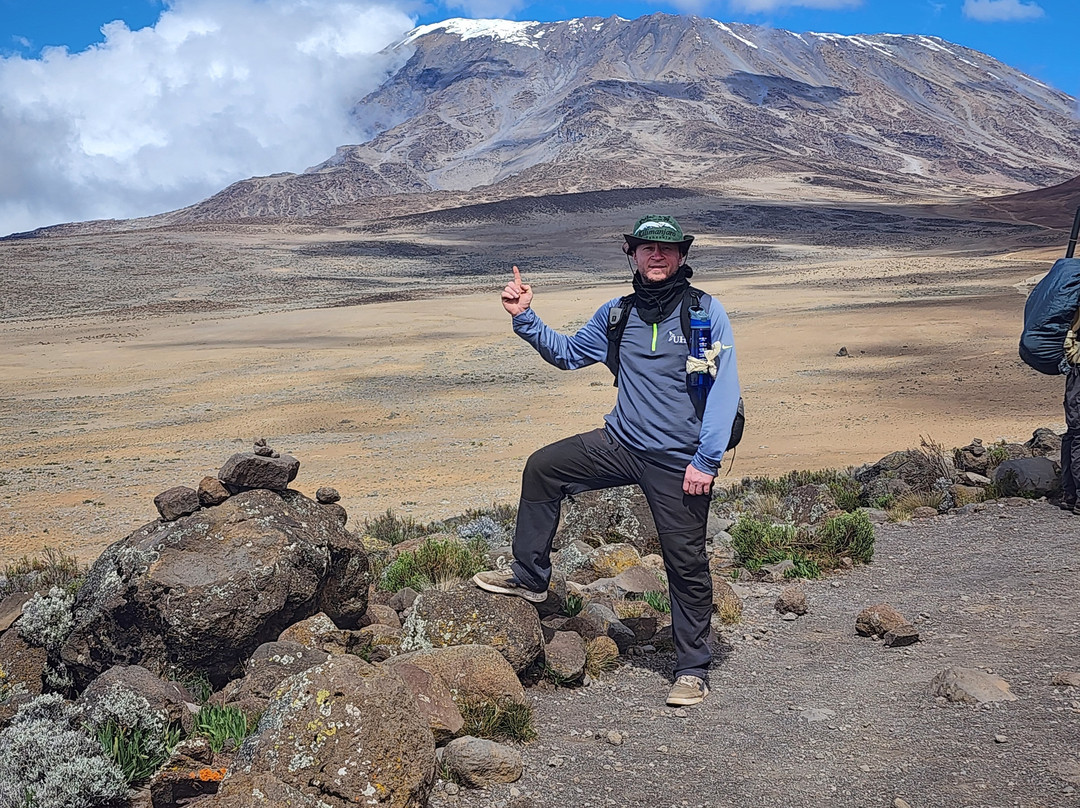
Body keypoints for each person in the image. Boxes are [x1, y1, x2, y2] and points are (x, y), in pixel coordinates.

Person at [472, 215, 741, 706]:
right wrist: (524, 318)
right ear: (632, 255)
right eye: (646, 248)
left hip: (678, 459)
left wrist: (706, 459)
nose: (656, 256)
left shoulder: (702, 314)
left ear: (681, 256)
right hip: (622, 443)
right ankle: (529, 576)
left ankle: (692, 669)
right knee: (543, 468)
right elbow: (569, 354)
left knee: (685, 563)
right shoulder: (618, 315)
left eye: (666, 249)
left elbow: (723, 390)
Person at [1062, 308, 1080, 512]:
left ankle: (1070, 493)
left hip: (1074, 382)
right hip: (1078, 378)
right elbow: (1069, 345)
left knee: (1072, 436)